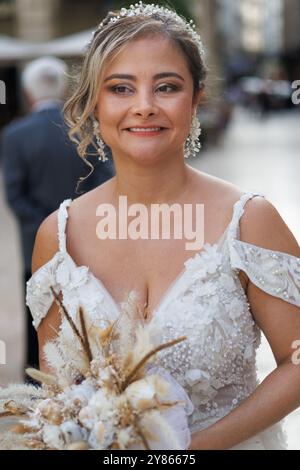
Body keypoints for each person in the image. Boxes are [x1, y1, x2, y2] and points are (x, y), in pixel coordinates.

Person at [25, 3, 300, 450]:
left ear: (196, 99)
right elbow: (58, 393)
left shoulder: (250, 221)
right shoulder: (58, 237)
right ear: (95, 102)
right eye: (121, 88)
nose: (145, 107)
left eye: (167, 87)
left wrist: (194, 449)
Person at [1, 56, 115, 372]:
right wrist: (76, 224)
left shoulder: (14, 135)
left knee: (37, 315)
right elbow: (106, 181)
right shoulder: (87, 129)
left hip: (34, 245)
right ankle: (91, 373)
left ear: (26, 93)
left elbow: (15, 196)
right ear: (66, 88)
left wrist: (49, 230)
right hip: (88, 242)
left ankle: (39, 378)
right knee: (88, 313)